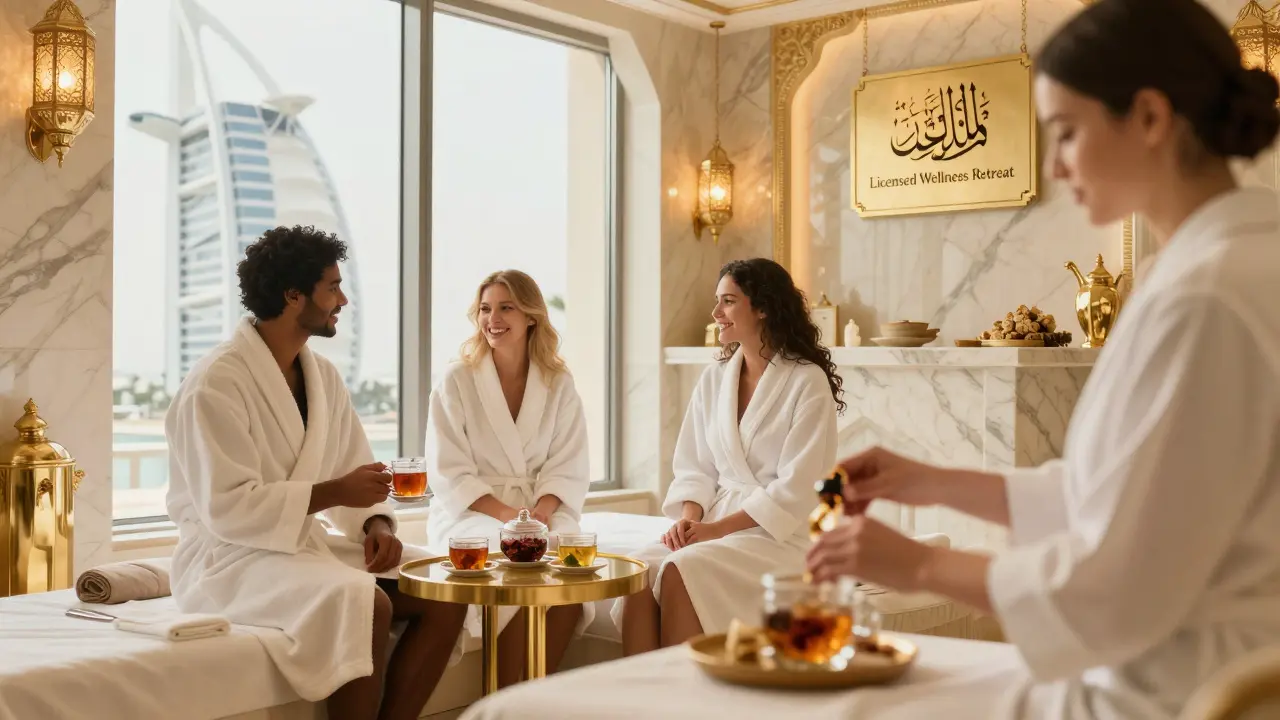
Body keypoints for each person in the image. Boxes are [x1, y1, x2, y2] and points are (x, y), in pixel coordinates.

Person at [804, 0, 1280, 717]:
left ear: (1150, 118)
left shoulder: (1207, 298)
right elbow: (1124, 500)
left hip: (1170, 690)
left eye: (1066, 133)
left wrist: (918, 564)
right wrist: (933, 482)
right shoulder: (1219, 266)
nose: (1055, 165)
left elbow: (1119, 589)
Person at [165, 225, 467, 720]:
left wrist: (375, 524)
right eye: (332, 286)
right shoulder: (215, 384)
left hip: (298, 547)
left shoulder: (321, 377)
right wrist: (333, 492)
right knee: (368, 603)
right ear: (292, 295)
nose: (343, 299)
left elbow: (354, 467)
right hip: (228, 561)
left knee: (444, 588)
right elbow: (227, 507)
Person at [617, 257, 843, 655]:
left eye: (728, 301)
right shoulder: (715, 378)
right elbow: (694, 467)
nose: (715, 313)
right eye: (717, 302)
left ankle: (692, 704)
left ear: (763, 308)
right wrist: (687, 525)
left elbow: (798, 487)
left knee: (680, 569)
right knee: (639, 569)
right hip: (714, 522)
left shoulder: (806, 381)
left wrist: (713, 532)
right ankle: (646, 702)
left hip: (780, 535)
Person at [426, 269, 593, 686]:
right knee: (517, 563)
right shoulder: (457, 380)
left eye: (506, 307)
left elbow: (568, 462)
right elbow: (448, 470)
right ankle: (500, 699)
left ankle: (530, 698)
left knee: (570, 574)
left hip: (542, 507)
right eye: (485, 309)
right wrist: (511, 517)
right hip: (471, 513)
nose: (493, 318)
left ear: (531, 316)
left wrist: (540, 513)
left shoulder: (558, 383)